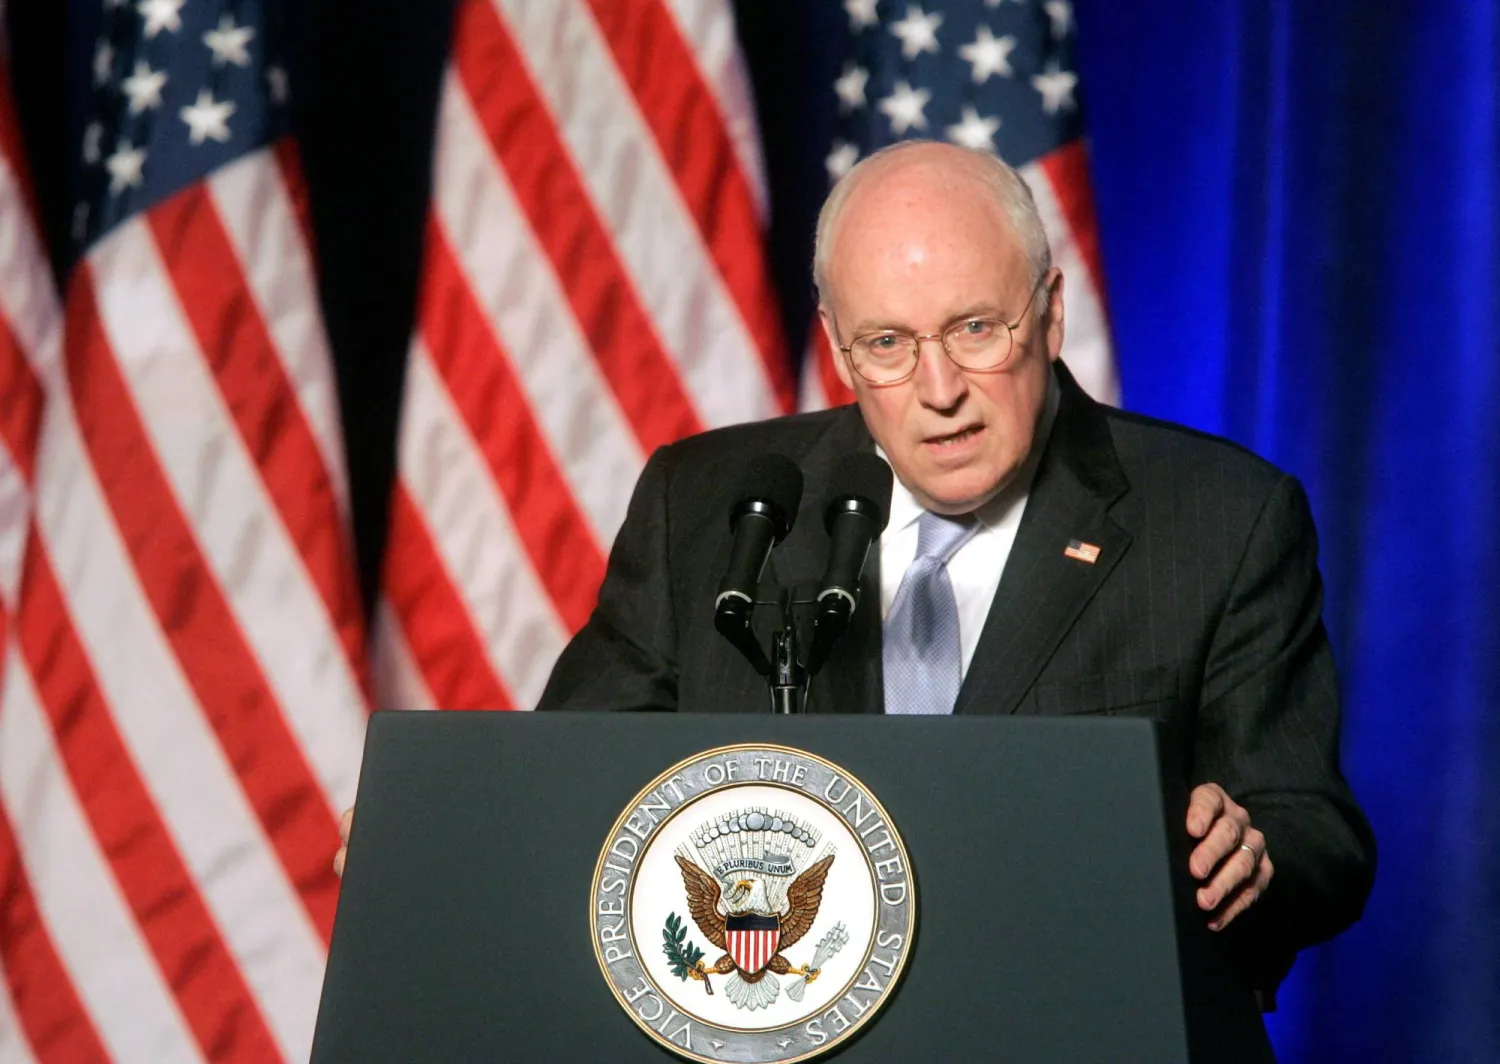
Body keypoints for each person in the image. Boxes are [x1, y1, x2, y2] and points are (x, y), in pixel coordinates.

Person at [338, 141, 1374, 1002]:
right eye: (888, 341)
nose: (939, 390)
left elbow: (1317, 829)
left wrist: (1252, 854)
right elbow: (573, 791)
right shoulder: (711, 509)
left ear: (1050, 314)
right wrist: (433, 841)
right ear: (838, 348)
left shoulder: (1218, 516)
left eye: (977, 329)